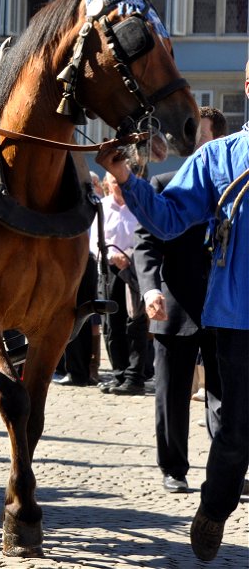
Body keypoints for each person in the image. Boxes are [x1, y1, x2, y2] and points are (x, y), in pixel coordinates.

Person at [96, 88, 248, 562]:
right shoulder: (222, 157)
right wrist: (124, 175)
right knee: (239, 429)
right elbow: (167, 218)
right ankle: (214, 507)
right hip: (239, 317)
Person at [134, 107, 227, 495]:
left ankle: (226, 470)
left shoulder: (235, 189)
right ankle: (173, 467)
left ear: (218, 141)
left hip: (225, 306)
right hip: (176, 304)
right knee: (172, 393)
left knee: (227, 396)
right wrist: (150, 288)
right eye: (192, 139)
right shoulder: (165, 184)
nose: (195, 145)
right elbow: (146, 242)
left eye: (202, 137)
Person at [92, 172, 148, 395]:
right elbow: (92, 242)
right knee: (111, 325)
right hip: (110, 270)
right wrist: (109, 257)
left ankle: (135, 377)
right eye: (115, 182)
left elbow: (149, 238)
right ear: (107, 184)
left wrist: (132, 257)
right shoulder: (102, 207)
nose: (119, 187)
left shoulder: (138, 205)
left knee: (135, 323)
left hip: (135, 270)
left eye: (122, 182)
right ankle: (119, 374)